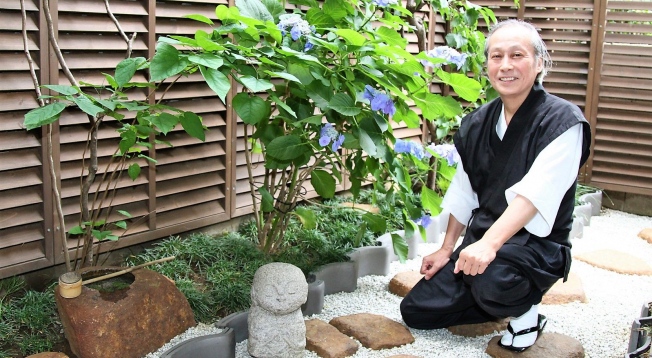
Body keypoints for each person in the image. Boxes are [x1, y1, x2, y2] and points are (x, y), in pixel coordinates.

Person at [400, 19, 592, 352]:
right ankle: (491, 297)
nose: (505, 66)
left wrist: (488, 245)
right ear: (487, 65)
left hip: (534, 249)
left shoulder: (564, 121)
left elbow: (533, 195)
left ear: (539, 63)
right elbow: (464, 192)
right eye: (496, 56)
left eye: (517, 55)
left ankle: (525, 313)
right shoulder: (476, 123)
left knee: (493, 281)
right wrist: (447, 249)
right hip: (483, 246)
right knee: (416, 310)